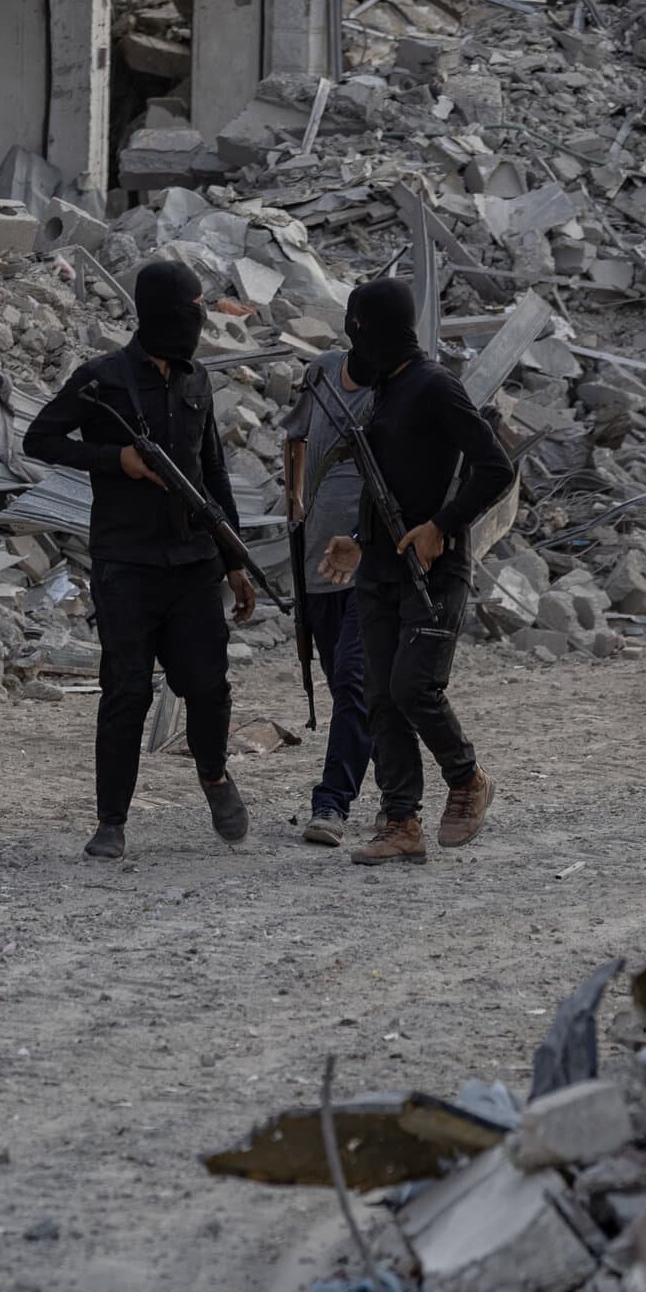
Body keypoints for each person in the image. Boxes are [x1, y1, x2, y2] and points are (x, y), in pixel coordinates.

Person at [23, 260, 255, 861]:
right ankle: (112, 821)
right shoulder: (101, 379)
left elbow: (212, 474)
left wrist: (233, 558)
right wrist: (115, 459)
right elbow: (39, 439)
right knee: (125, 691)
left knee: (207, 686)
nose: (199, 319)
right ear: (157, 313)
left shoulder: (196, 379)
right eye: (190, 308)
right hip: (126, 563)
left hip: (194, 563)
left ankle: (214, 777)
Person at [318, 279, 514, 865]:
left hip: (433, 567)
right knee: (379, 696)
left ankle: (468, 778)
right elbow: (389, 487)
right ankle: (401, 821)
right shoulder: (386, 390)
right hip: (379, 566)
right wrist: (357, 540)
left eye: (357, 328)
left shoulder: (433, 386)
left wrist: (441, 526)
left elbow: (494, 467)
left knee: (413, 687)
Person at [283, 350, 374, 847]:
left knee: (353, 679)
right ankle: (421, 787)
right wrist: (296, 501)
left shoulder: (399, 385)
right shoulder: (321, 373)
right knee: (353, 694)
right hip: (317, 561)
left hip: (370, 566)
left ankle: (331, 801)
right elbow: (293, 436)